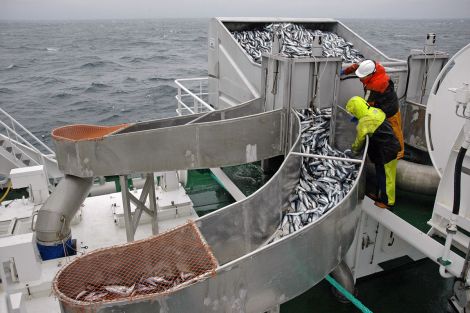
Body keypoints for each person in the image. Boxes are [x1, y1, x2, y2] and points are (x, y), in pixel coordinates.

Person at [342, 60, 405, 159]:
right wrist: (345, 71)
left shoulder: (375, 85)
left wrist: (359, 115)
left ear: (370, 75)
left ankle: (400, 153)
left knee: (395, 130)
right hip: (380, 101)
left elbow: (368, 104)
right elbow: (357, 66)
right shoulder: (370, 65)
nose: (360, 79)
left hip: (390, 109)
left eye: (362, 77)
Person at [346, 96, 400, 209]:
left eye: (353, 112)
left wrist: (353, 151)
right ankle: (379, 195)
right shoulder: (374, 111)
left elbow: (359, 140)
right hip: (385, 148)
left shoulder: (365, 122)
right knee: (381, 174)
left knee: (387, 177)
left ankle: (388, 203)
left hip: (387, 151)